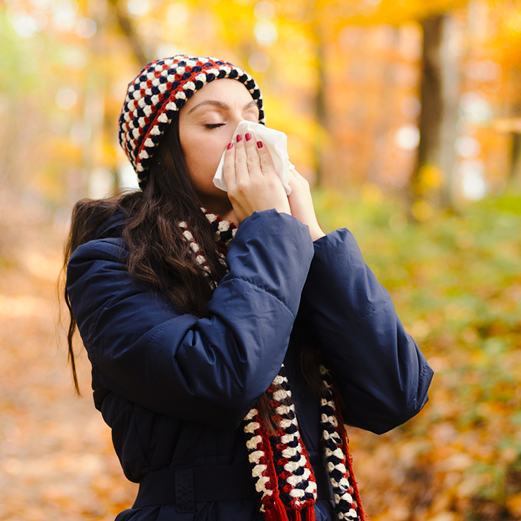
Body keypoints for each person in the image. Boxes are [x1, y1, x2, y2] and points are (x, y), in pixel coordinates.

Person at [62, 54, 433, 521]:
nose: (247, 137)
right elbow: (221, 377)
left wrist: (312, 236)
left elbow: (397, 394)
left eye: (253, 119)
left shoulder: (290, 251)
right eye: (215, 123)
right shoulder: (111, 263)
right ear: (163, 153)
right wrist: (272, 230)